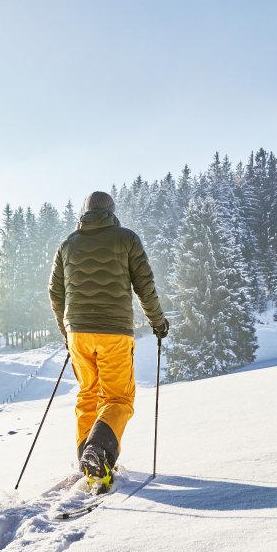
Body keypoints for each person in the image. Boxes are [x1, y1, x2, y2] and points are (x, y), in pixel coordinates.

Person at [48, 190, 169, 491]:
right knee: (118, 398)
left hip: (78, 333)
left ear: (85, 212)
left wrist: (68, 332)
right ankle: (98, 454)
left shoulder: (67, 244)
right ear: (112, 211)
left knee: (88, 393)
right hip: (113, 331)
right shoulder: (126, 238)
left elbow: (55, 293)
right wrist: (158, 322)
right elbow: (145, 286)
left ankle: (87, 460)